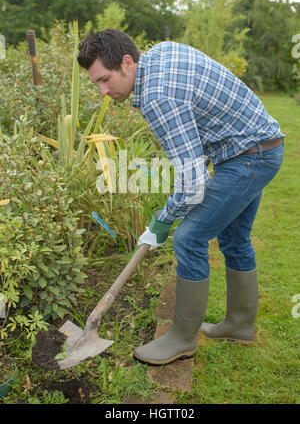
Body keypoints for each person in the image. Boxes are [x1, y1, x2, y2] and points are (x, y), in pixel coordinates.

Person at [77, 29, 284, 365]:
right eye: (95, 84)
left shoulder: (158, 97)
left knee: (189, 237)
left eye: (105, 79)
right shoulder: (159, 53)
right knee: (234, 237)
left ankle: (181, 339)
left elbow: (192, 185)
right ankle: (239, 325)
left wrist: (164, 217)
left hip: (248, 158)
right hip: (259, 145)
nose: (103, 91)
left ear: (127, 62)